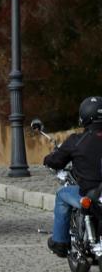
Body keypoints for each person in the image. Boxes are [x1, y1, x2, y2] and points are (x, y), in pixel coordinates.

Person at [43, 96, 102, 257]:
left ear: (84, 117)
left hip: (90, 192)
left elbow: (56, 161)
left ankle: (60, 242)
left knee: (62, 195)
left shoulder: (77, 140)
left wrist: (48, 159)